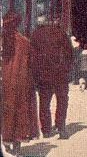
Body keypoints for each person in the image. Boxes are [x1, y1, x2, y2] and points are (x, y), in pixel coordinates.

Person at [30, 18, 74, 140]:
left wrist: (35, 75)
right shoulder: (61, 33)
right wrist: (67, 70)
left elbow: (32, 58)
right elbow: (69, 53)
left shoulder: (36, 35)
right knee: (62, 101)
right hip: (60, 75)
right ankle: (61, 127)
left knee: (44, 103)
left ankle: (46, 129)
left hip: (43, 76)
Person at [2, 12, 40, 154]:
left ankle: (6, 140)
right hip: (22, 82)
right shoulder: (25, 42)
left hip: (4, 82)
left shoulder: (2, 40)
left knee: (6, 111)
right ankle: (17, 144)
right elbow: (33, 64)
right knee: (20, 111)